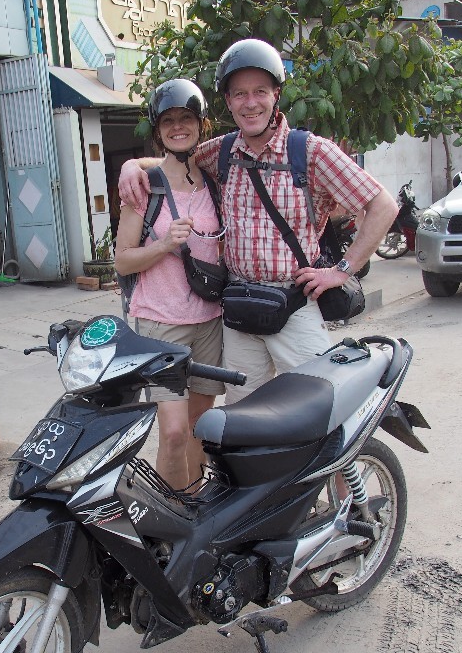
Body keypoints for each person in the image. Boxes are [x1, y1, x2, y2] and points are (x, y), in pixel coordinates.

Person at [119, 39, 399, 402]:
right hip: (239, 309)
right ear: (229, 102)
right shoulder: (220, 151)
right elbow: (176, 162)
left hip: (295, 304)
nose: (250, 103)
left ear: (276, 95)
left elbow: (383, 206)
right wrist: (132, 166)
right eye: (239, 94)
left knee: (320, 404)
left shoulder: (311, 152)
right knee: (242, 418)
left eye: (259, 92)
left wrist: (343, 269)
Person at [113, 78, 225, 490]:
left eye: (186, 119)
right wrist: (162, 245)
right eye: (168, 121)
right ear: (158, 130)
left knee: (198, 426)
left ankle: (193, 507)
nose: (178, 127)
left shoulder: (213, 179)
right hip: (161, 324)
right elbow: (122, 261)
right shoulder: (143, 187)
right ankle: (167, 519)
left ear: (201, 124)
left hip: (210, 321)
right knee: (174, 431)